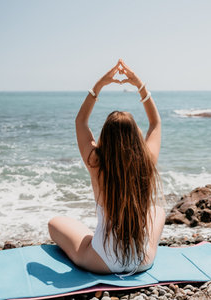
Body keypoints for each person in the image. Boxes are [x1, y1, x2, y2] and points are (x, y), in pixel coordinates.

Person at [48, 59, 166, 275]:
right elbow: (155, 123)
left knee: (55, 223)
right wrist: (140, 85)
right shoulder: (147, 161)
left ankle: (94, 240)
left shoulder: (95, 163)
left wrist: (99, 85)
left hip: (101, 261)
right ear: (136, 137)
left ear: (105, 137)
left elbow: (81, 122)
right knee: (157, 211)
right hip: (142, 260)